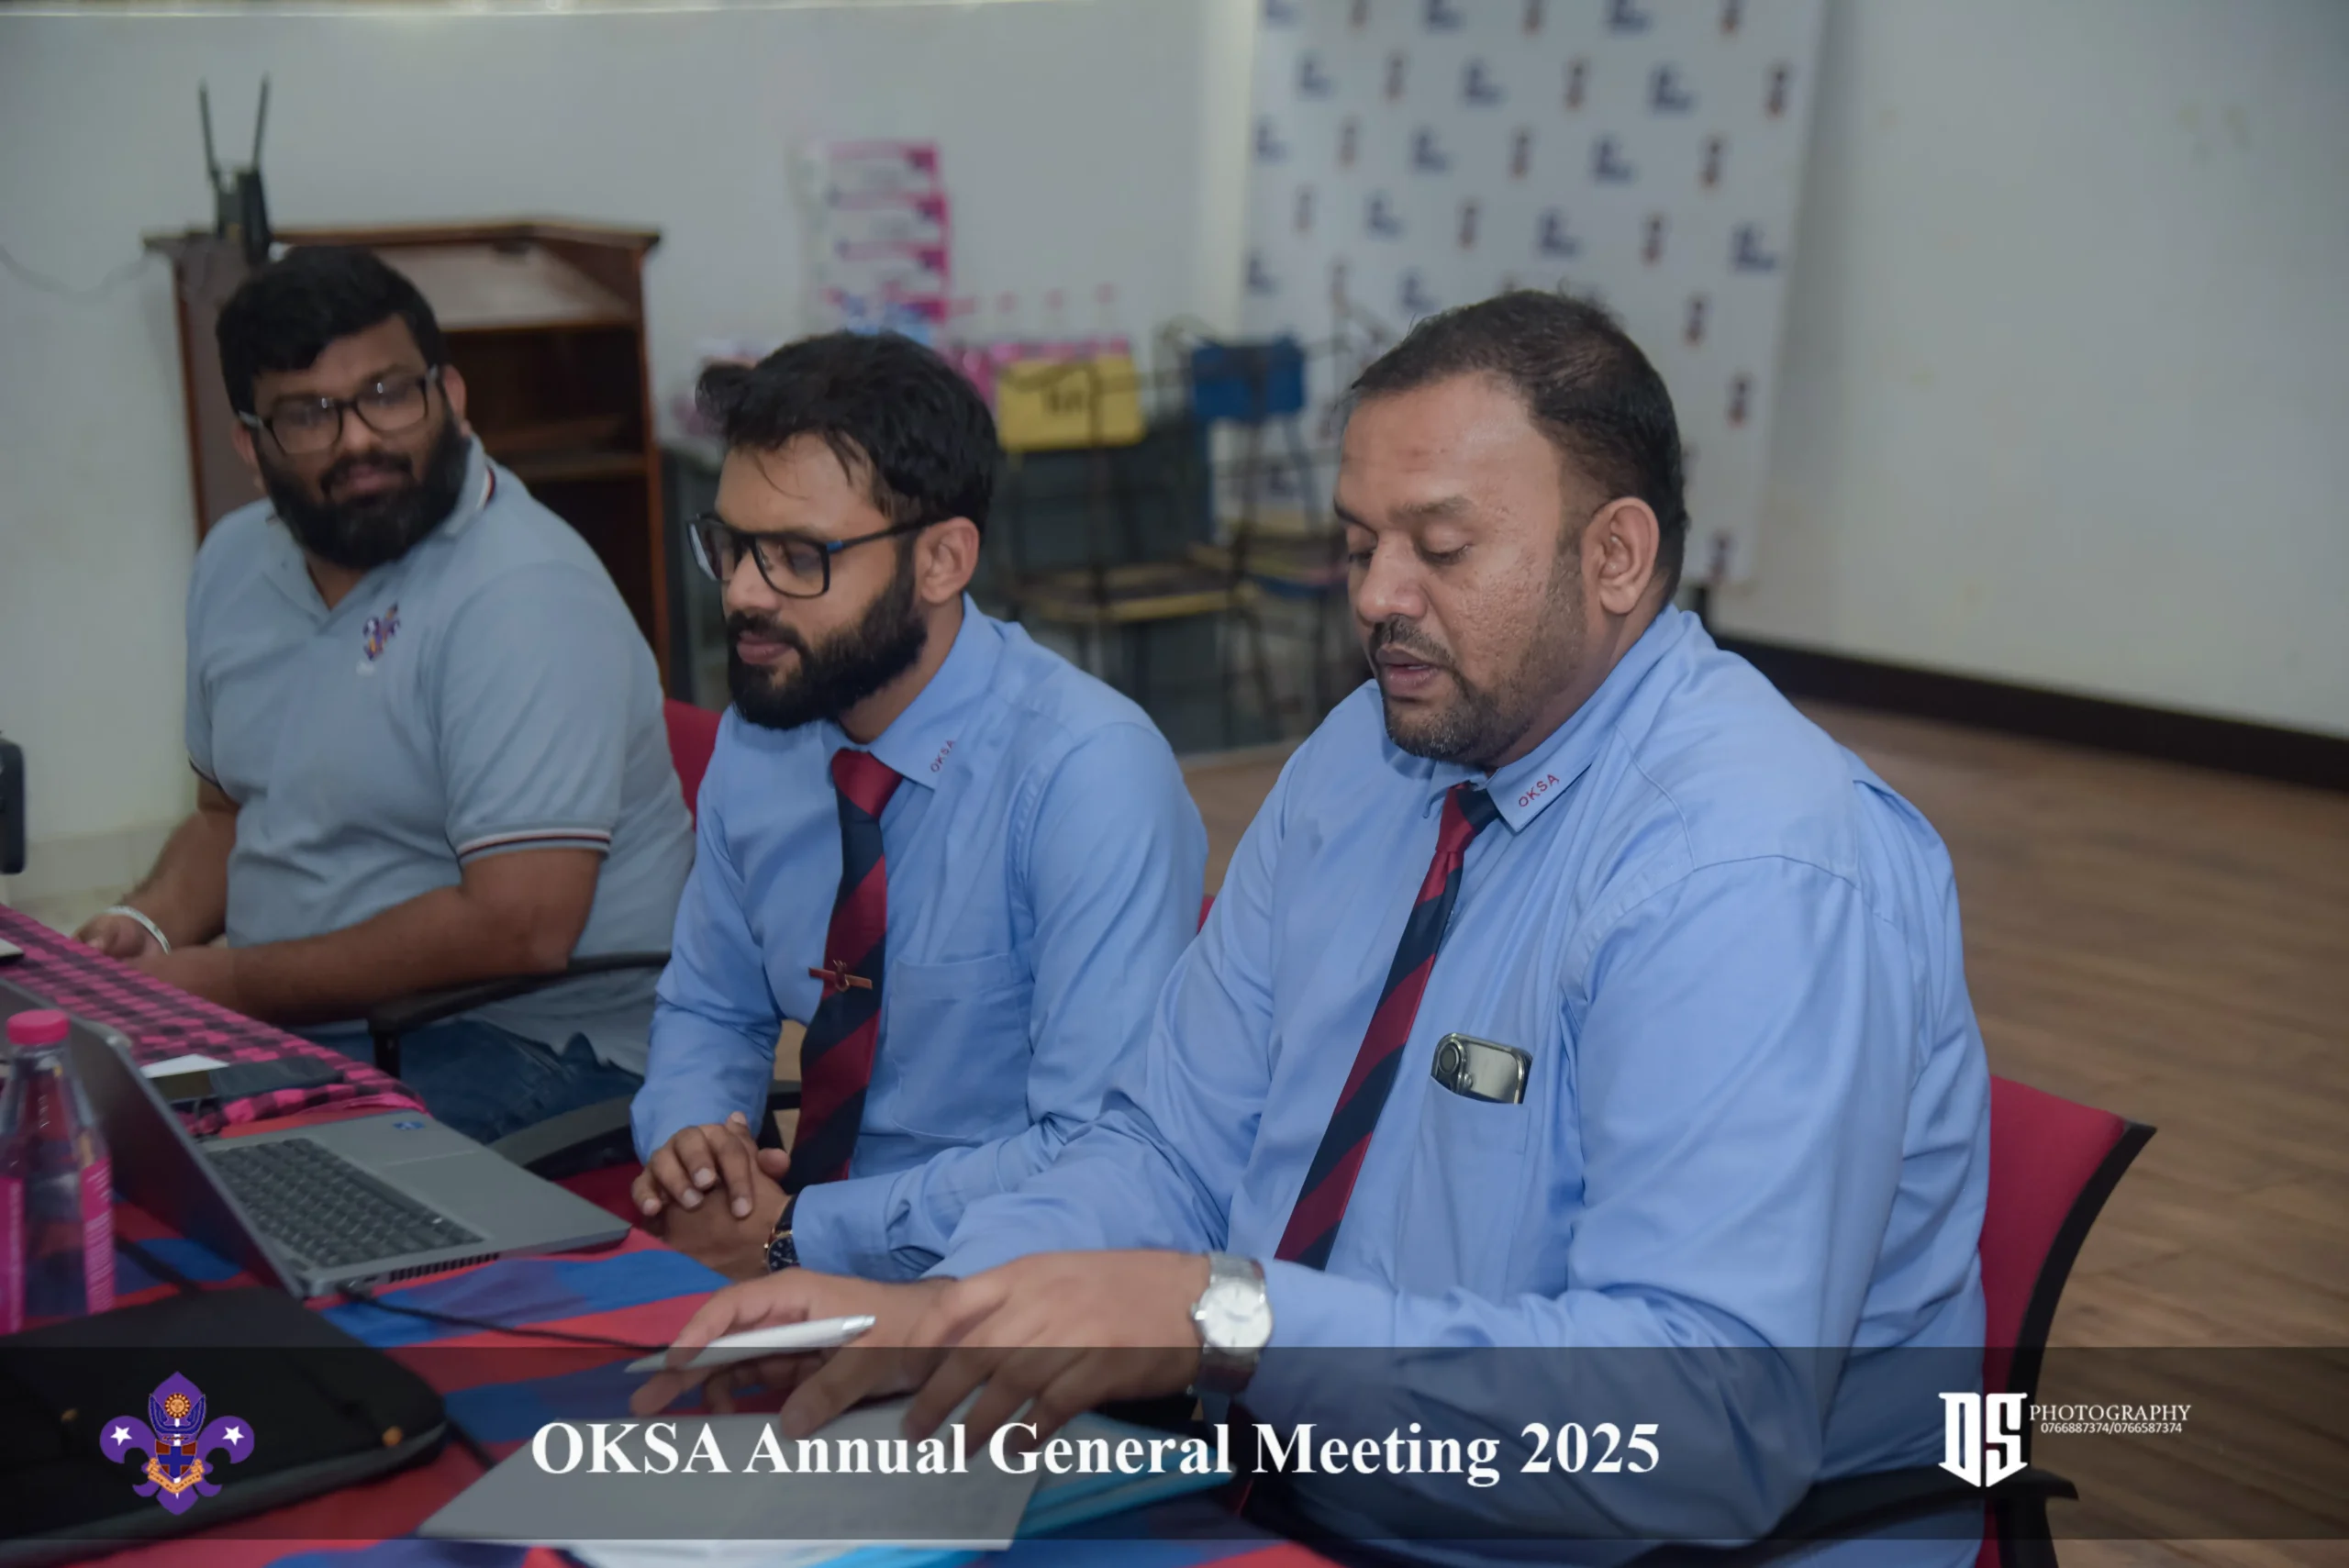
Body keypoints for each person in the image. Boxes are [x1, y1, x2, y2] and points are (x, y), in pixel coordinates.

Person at [637, 294, 1992, 1555]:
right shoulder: (1366, 758)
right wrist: (955, 1305)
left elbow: (1700, 1428)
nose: (1378, 596)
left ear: (1616, 556)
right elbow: (1167, 1146)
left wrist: (1225, 1318)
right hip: (1294, 1482)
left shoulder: (1750, 868)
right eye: (1357, 544)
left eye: (1439, 548)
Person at [78, 246, 694, 1145]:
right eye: (309, 414)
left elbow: (520, 927)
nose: (360, 439)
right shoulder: (234, 563)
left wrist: (234, 982)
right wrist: (152, 924)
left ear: (451, 395)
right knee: (64, 1115)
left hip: (534, 1038)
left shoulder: (524, 591)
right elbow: (226, 816)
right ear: (251, 445)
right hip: (310, 1018)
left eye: (389, 394)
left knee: (239, 1166)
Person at [628, 332, 1207, 1284]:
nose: (742, 594)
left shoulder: (1088, 774)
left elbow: (1099, 1152)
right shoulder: (766, 733)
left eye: (797, 556)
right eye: (730, 546)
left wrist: (802, 1231)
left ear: (942, 560)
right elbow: (710, 1006)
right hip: (786, 1250)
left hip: (1005, 1288)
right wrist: (696, 1152)